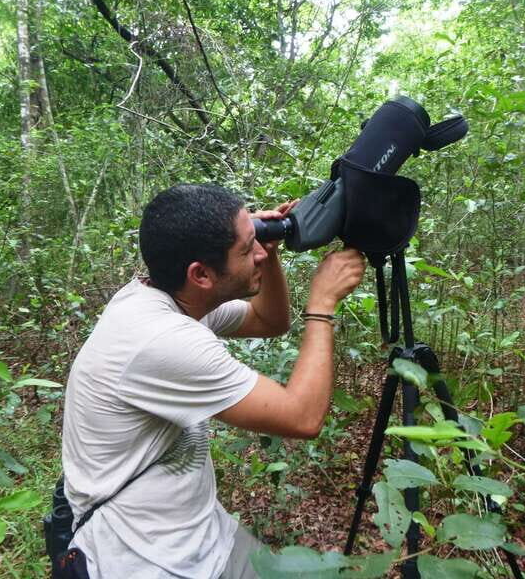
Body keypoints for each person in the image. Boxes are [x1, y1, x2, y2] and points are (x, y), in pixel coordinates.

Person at [61, 183, 366, 579]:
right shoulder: (164, 340)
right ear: (201, 274)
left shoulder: (162, 296)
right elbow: (302, 417)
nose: (256, 252)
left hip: (201, 532)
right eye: (246, 250)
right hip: (144, 559)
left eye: (255, 238)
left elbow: (270, 321)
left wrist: (266, 256)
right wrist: (322, 306)